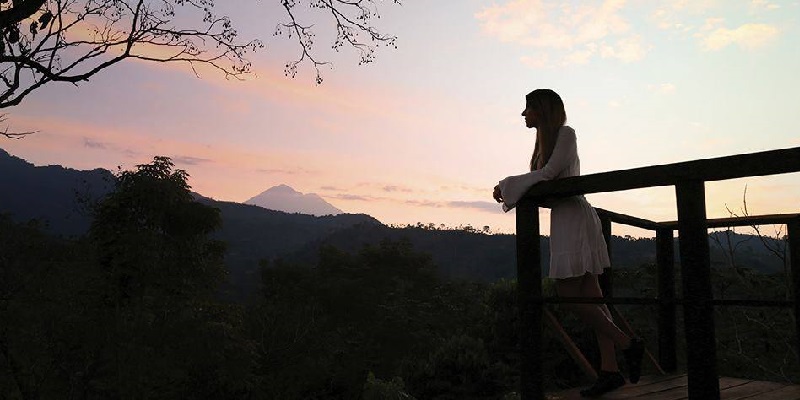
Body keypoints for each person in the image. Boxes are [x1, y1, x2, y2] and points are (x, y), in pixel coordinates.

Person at [492, 89, 644, 397]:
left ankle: (628, 343)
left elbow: (548, 175)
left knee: (568, 294)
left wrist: (505, 184)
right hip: (565, 218)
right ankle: (610, 370)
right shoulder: (543, 144)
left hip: (574, 218)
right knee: (594, 299)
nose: (524, 114)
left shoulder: (566, 134)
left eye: (528, 108)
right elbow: (546, 183)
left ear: (542, 110)